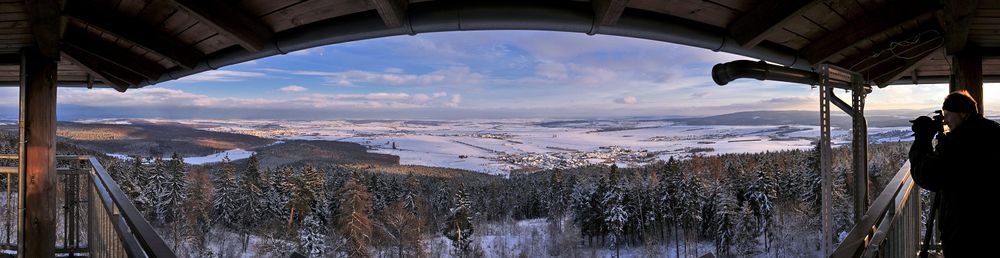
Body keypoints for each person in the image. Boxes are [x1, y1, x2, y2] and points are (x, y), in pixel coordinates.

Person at [909, 90, 1000, 256]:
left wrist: (922, 140)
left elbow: (927, 175)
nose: (945, 120)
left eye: (948, 115)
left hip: (965, 231)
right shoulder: (993, 131)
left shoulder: (960, 142)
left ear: (963, 114)